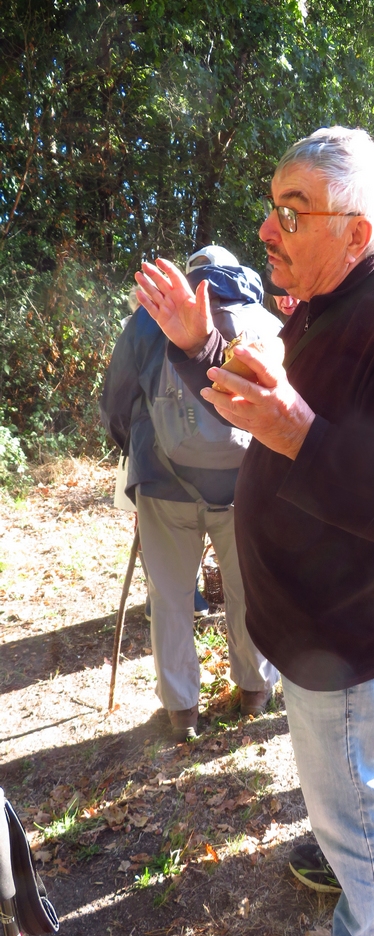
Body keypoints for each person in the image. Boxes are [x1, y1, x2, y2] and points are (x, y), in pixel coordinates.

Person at [134, 126, 374, 936]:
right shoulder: (329, 305)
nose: (267, 229)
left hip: (347, 629)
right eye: (272, 207)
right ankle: (337, 845)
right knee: (341, 783)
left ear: (356, 232)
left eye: (294, 211)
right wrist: (201, 345)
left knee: (358, 789)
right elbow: (269, 403)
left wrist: (299, 434)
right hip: (311, 619)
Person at [100, 245, 280, 741]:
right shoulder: (263, 320)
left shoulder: (149, 318)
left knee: (172, 597)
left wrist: (135, 453)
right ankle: (255, 691)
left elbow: (115, 402)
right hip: (247, 484)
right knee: (249, 590)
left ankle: (183, 712)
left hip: (164, 479)